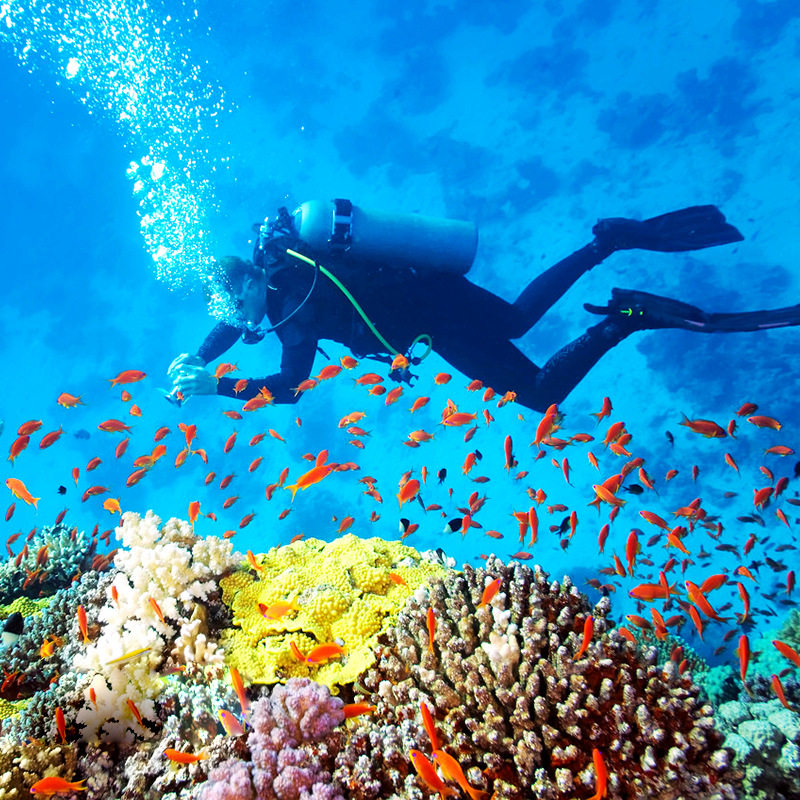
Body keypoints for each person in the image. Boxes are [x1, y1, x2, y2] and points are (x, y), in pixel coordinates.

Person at [168, 203, 799, 412]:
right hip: (429, 295)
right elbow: (232, 321)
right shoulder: (277, 270)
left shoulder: (296, 305)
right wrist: (199, 356)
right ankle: (604, 246)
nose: (240, 321)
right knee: (519, 320)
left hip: (432, 319)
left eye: (238, 306)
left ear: (251, 282)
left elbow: (289, 386)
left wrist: (215, 386)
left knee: (538, 393)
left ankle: (624, 319)